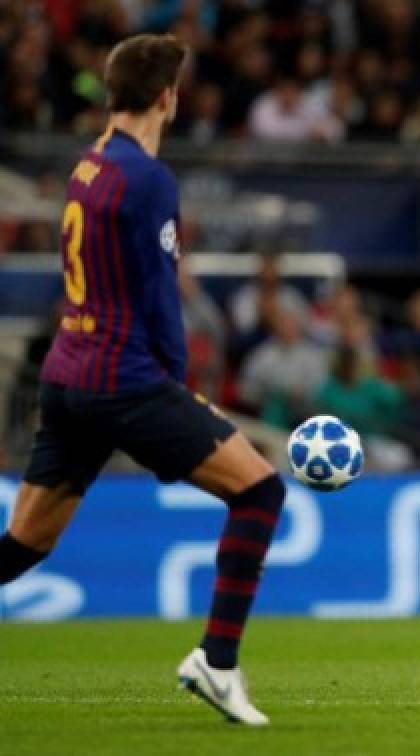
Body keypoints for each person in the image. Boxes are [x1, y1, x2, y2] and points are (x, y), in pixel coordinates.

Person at [0, 35, 281, 726]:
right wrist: (180, 388)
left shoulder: (88, 167)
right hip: (123, 380)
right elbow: (160, 296)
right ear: (168, 97)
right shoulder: (149, 178)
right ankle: (216, 663)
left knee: (25, 544)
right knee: (260, 491)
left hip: (67, 378)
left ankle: (217, 664)